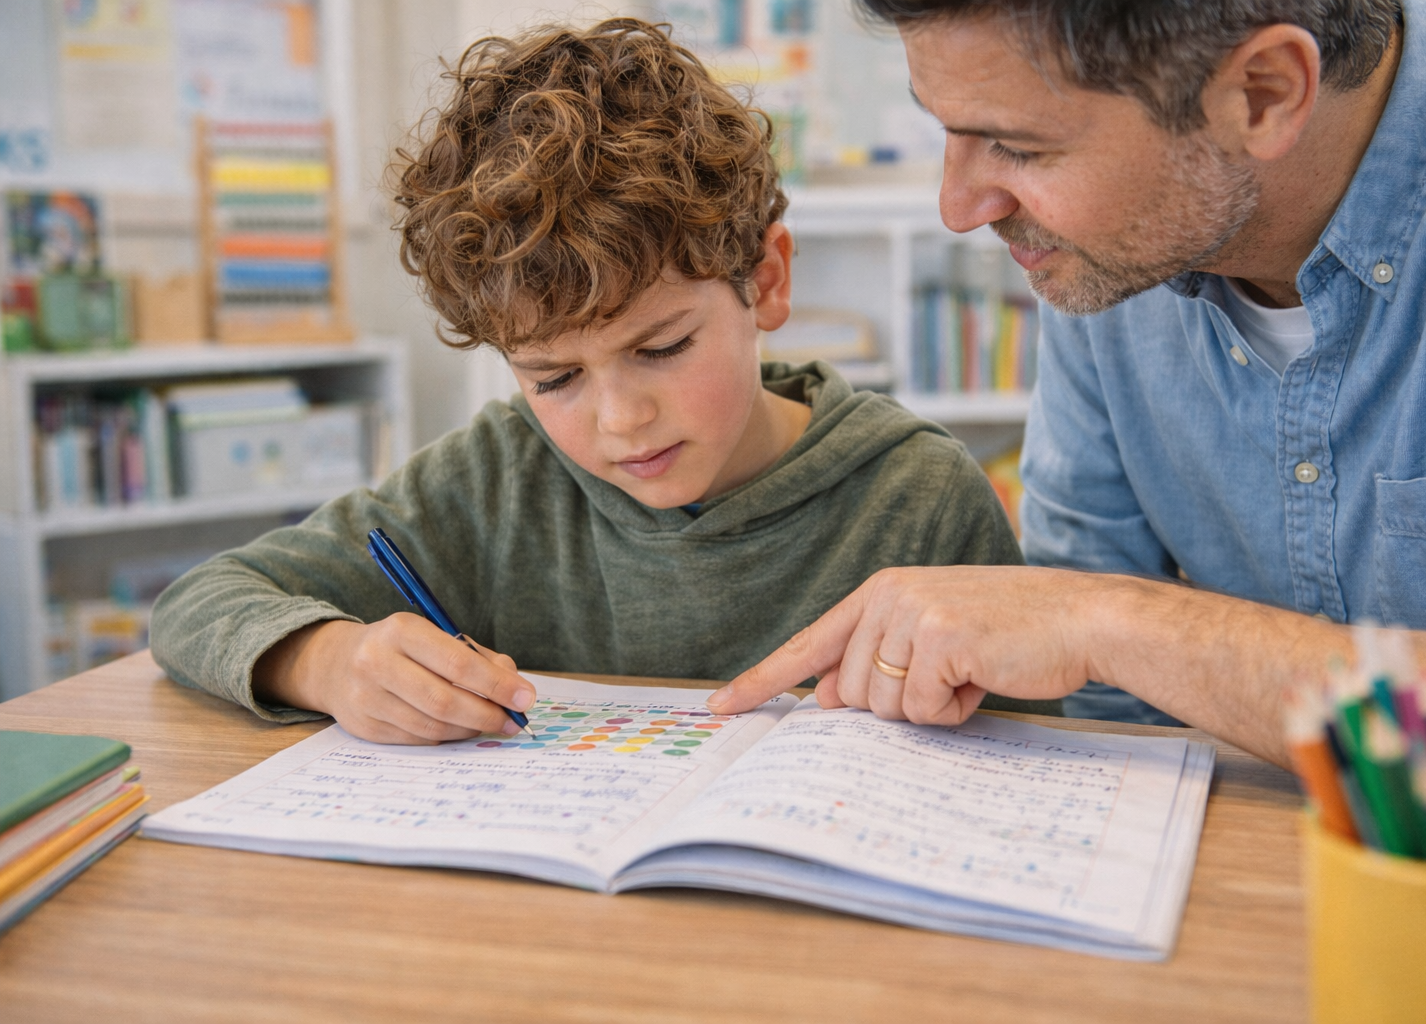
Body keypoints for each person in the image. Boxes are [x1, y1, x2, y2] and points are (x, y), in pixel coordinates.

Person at [149, 19, 1047, 746]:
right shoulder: (495, 481)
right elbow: (200, 600)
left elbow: (1046, 761)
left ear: (766, 281)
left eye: (661, 349)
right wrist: (327, 660)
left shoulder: (920, 500)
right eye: (553, 377)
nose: (622, 419)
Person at [708, 0, 1426, 766]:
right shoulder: (1116, 258)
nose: (958, 207)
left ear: (1263, 93)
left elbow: (1089, 625)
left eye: (1021, 148)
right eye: (949, 134)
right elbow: (1103, 709)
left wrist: (1113, 622)